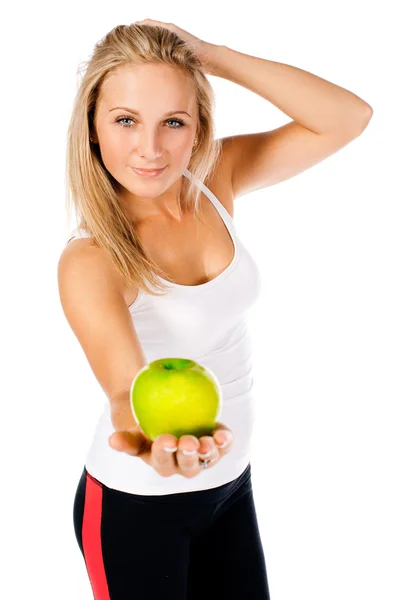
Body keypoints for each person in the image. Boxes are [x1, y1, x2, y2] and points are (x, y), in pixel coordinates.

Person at [58, 20, 372, 600]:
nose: (150, 149)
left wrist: (212, 57)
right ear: (93, 128)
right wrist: (152, 442)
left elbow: (347, 118)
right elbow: (127, 390)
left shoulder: (213, 180)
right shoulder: (93, 258)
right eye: (125, 120)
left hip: (229, 485)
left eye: (172, 121)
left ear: (198, 126)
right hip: (135, 504)